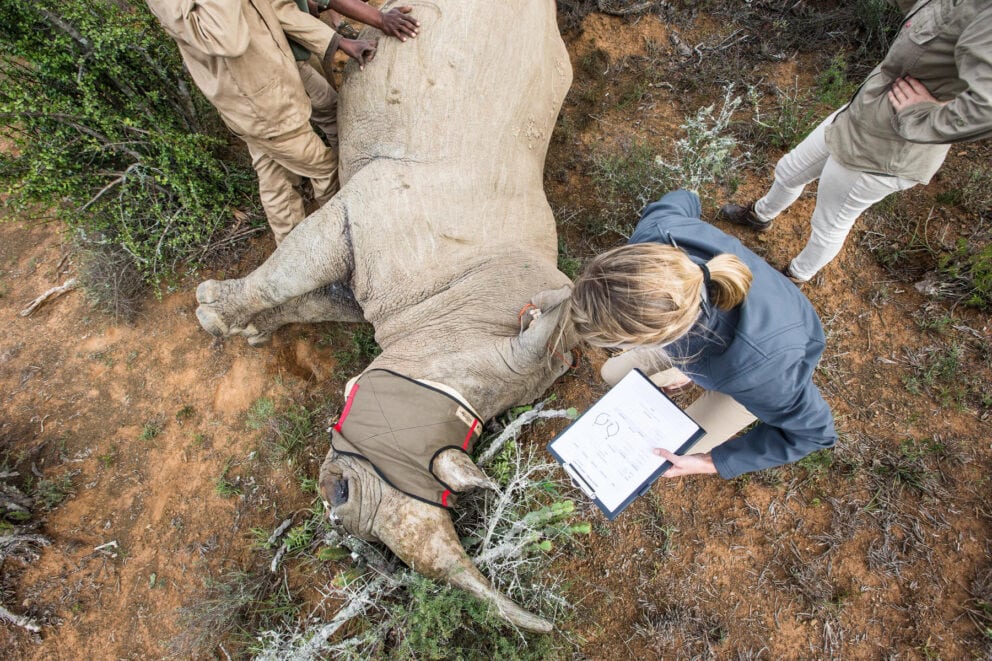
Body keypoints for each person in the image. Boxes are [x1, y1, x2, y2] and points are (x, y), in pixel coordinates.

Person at [569, 190, 836, 479]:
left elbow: (815, 433)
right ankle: (686, 373)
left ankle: (703, 383)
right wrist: (691, 368)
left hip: (771, 352)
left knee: (666, 452)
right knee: (613, 373)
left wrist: (710, 462)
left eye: (619, 341)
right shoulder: (656, 233)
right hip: (706, 335)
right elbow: (685, 197)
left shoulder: (763, 374)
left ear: (658, 336)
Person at [720, 0, 992, 284]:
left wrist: (921, 117)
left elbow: (986, 110)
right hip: (863, 111)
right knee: (790, 169)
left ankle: (794, 277)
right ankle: (760, 215)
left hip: (886, 148)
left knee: (828, 223)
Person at [145, 0, 377, 244]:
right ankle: (344, 245)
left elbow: (278, 7)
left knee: (277, 179)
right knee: (324, 167)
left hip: (275, 84)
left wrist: (336, 42)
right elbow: (227, 39)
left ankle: (291, 261)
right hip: (258, 107)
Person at [291, 1, 420, 148]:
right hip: (284, 55)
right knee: (332, 112)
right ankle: (342, 156)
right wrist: (380, 19)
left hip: (299, 41)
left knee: (326, 94)